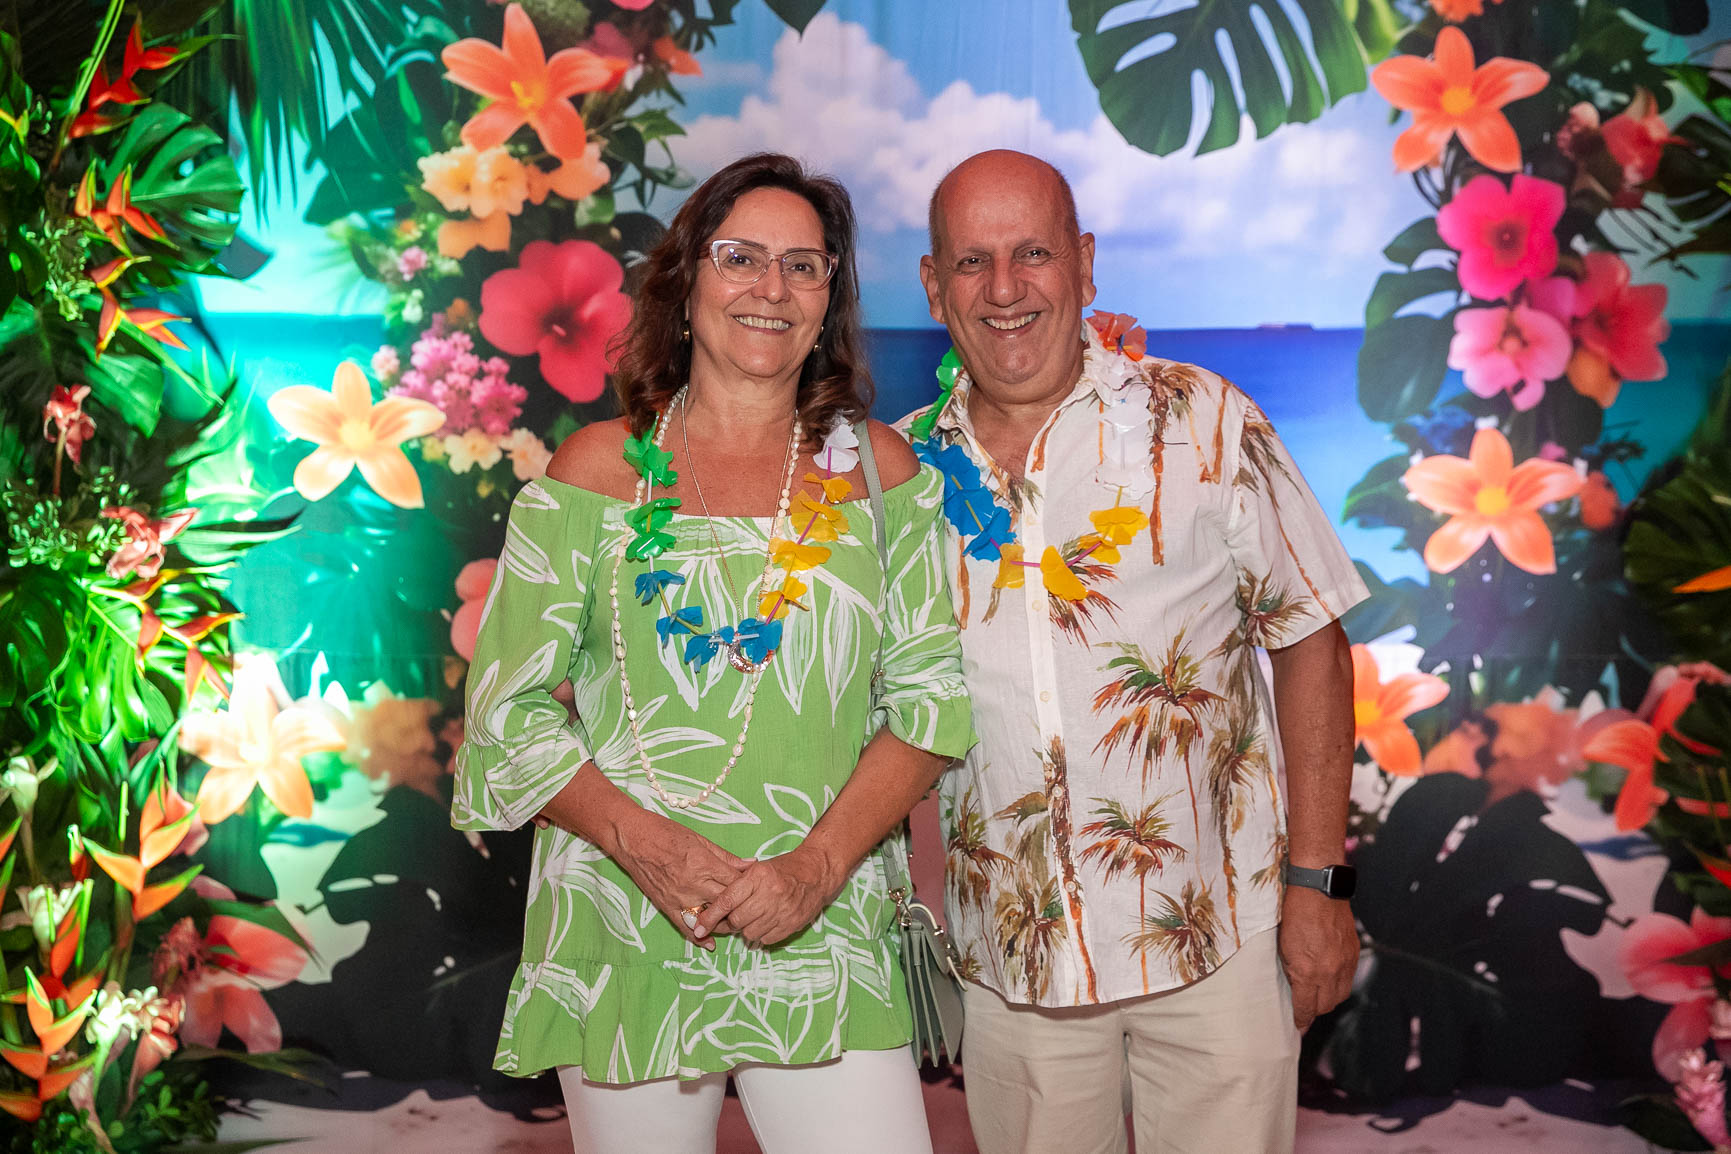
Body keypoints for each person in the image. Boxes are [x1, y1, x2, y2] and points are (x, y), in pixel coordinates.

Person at [453, 152, 974, 1154]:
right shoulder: (597, 470)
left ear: (827, 303)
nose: (771, 288)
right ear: (686, 282)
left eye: (803, 266)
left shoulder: (879, 473)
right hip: (621, 914)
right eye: (740, 257)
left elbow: (931, 705)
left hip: (820, 918)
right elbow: (506, 712)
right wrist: (648, 847)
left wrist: (814, 870)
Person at [900, 149, 1368, 1154]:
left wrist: (1319, 884)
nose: (1005, 288)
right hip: (1014, 963)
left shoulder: (1204, 420)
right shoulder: (900, 478)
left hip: (1220, 941)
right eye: (972, 261)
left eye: (1033, 253)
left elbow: (1312, 640)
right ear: (934, 287)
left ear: (1083, 261)